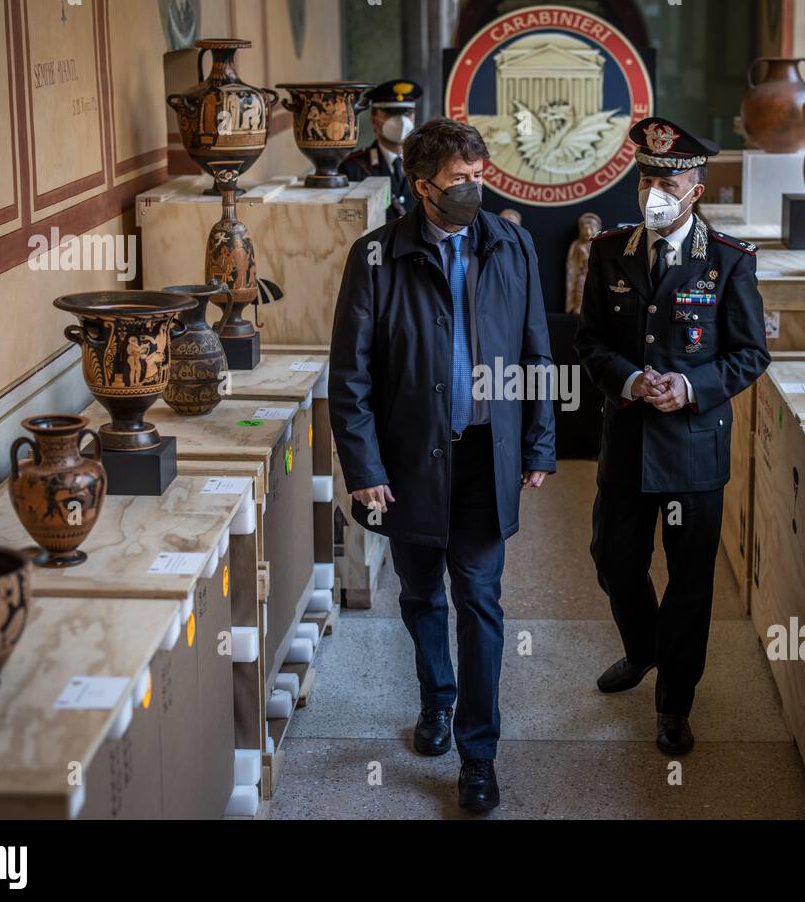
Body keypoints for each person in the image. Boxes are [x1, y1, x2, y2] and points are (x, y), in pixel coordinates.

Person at [329, 117, 556, 812]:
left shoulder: (511, 244)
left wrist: (540, 443)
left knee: (480, 602)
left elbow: (536, 354)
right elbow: (351, 378)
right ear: (422, 186)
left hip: (487, 457)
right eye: (461, 182)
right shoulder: (375, 257)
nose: (474, 191)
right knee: (422, 593)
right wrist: (364, 466)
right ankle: (436, 696)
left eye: (480, 177)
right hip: (407, 466)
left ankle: (478, 754)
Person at [574, 116, 771, 755]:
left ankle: (674, 703)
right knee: (613, 557)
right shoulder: (610, 253)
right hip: (628, 440)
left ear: (696, 190)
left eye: (670, 178)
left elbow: (749, 354)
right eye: (648, 176)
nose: (656, 188)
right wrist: (631, 381)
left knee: (690, 581)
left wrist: (689, 388)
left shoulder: (729, 262)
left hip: (691, 447)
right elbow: (590, 342)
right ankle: (642, 650)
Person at [340, 79, 422, 221]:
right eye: (392, 114)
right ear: (374, 119)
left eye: (407, 113)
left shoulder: (427, 163)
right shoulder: (352, 168)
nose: (402, 121)